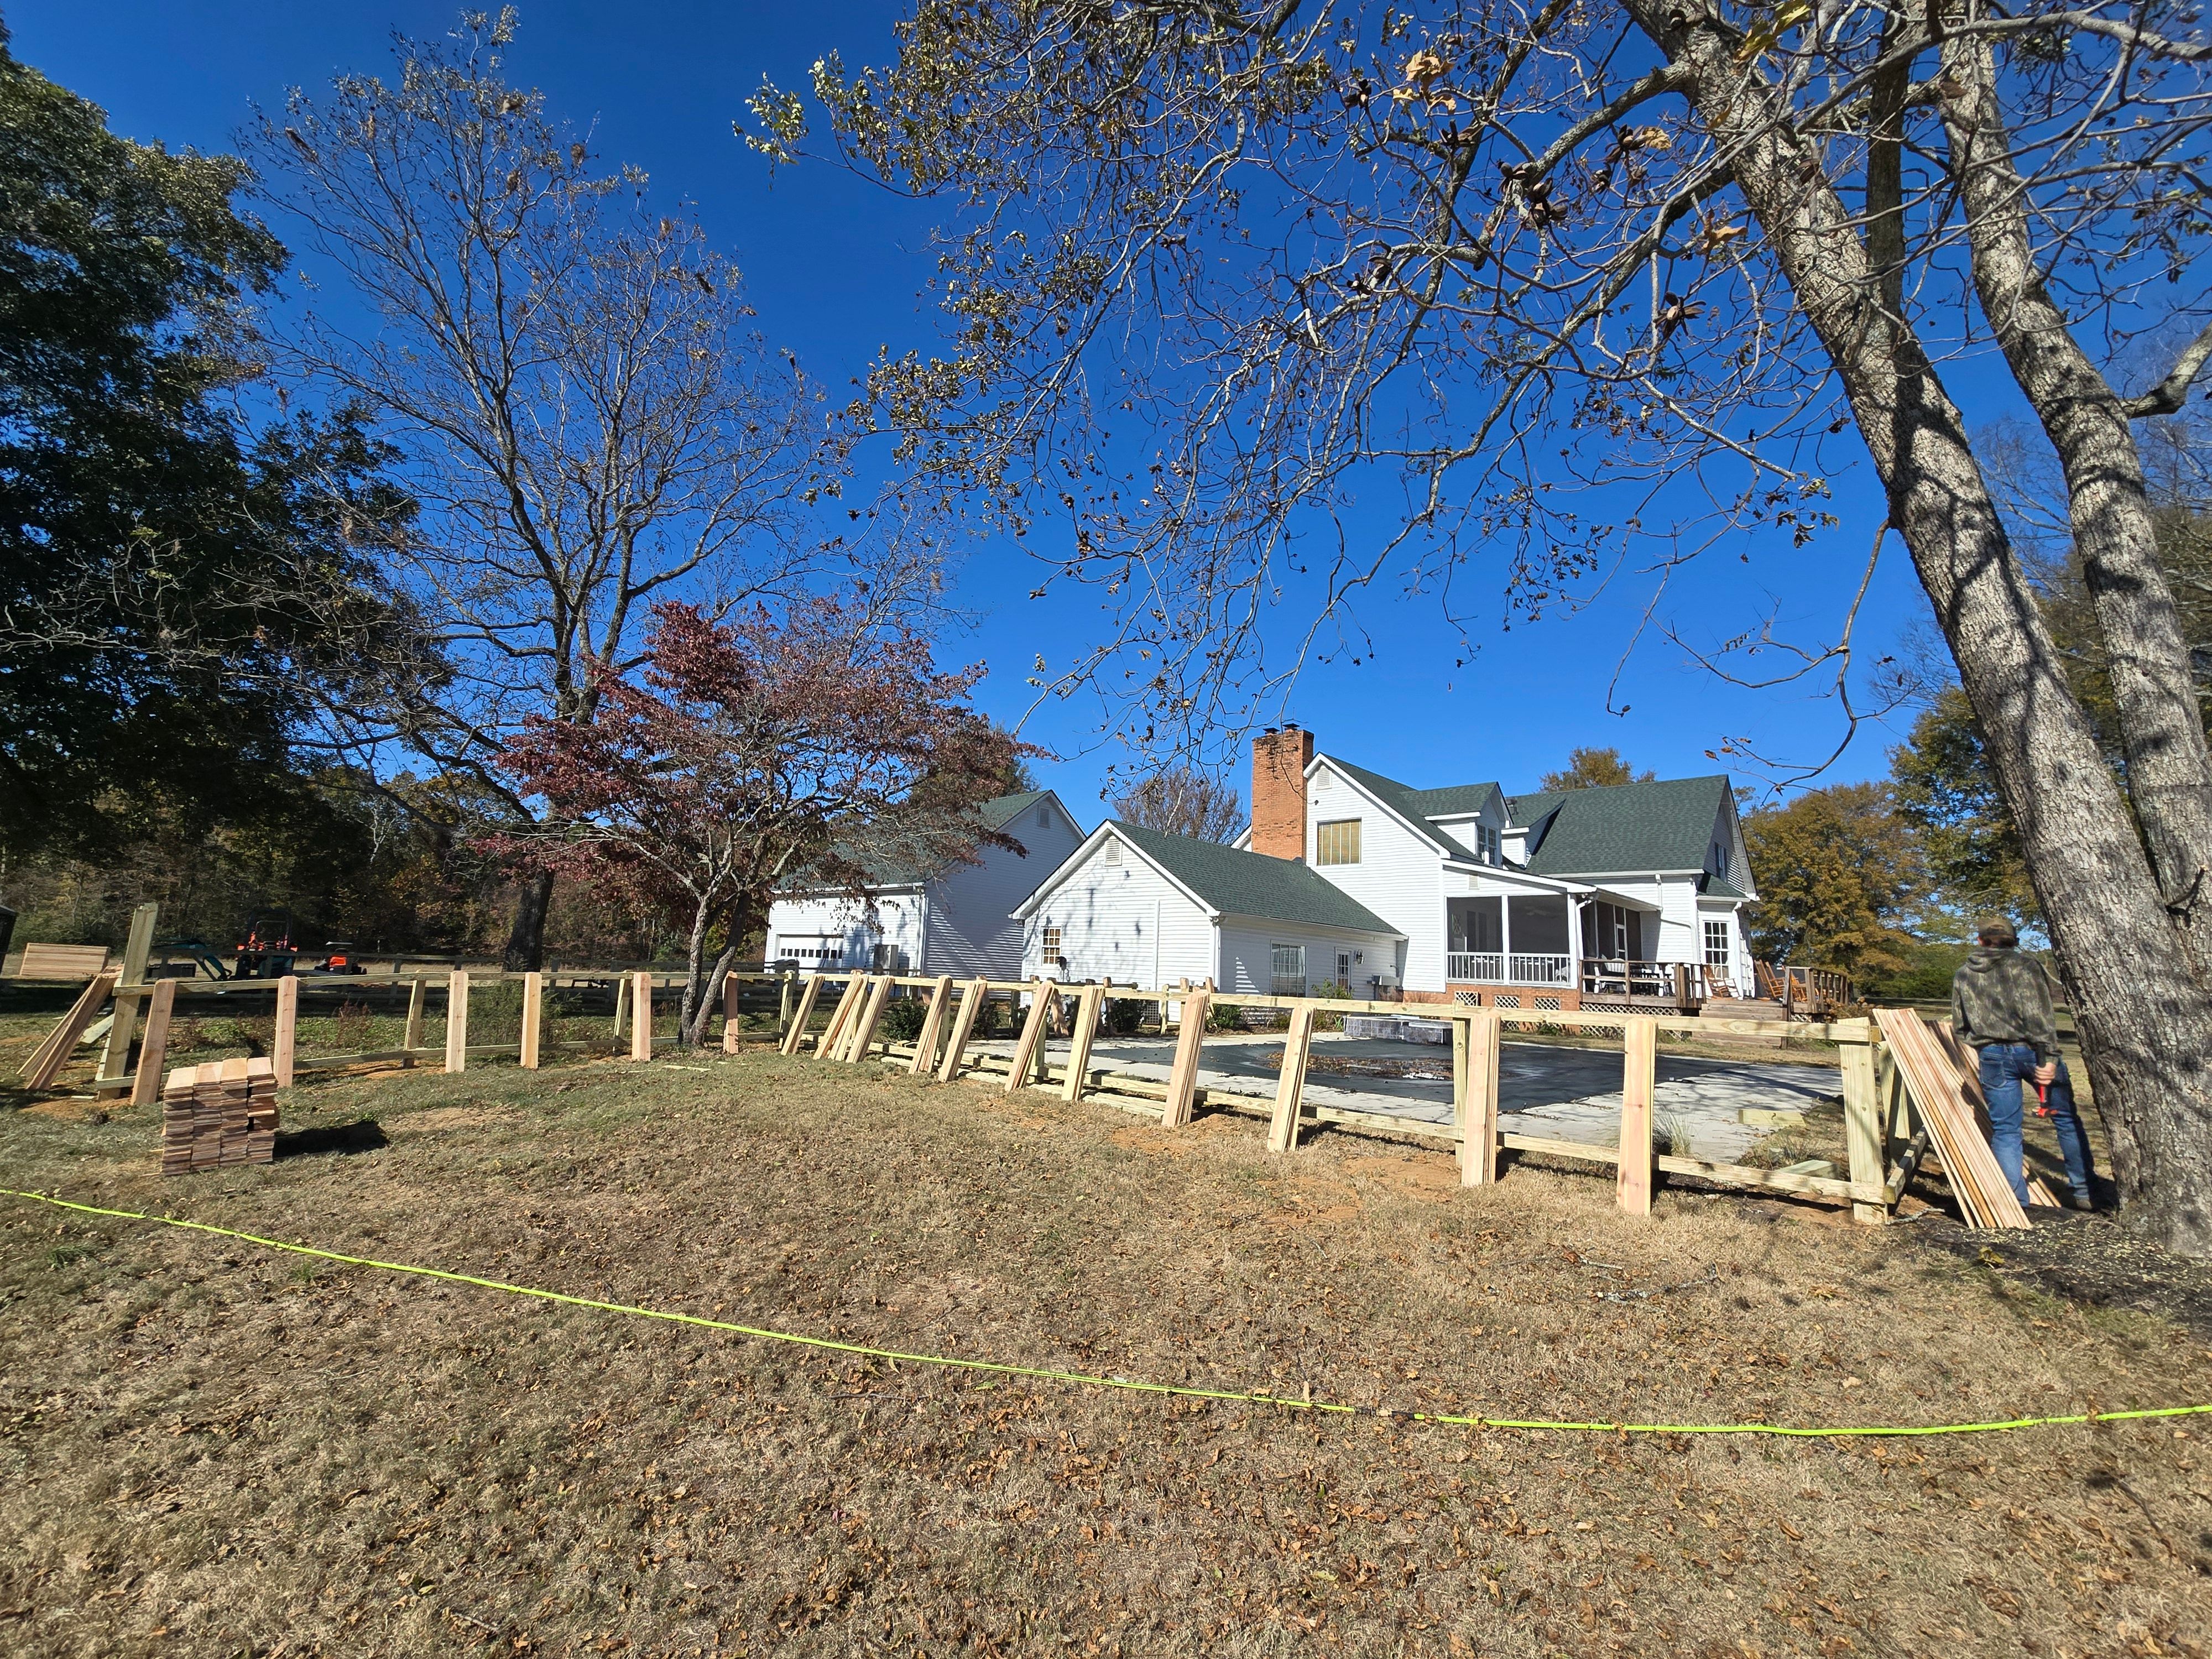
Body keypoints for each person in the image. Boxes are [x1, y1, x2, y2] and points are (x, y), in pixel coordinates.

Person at [1949, 919, 2099, 1211]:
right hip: (2035, 1052)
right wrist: (2051, 1058)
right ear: (2013, 941)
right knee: (2066, 1120)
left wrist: (1985, 1045)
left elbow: (1960, 1026)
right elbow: (2040, 1015)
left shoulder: (1964, 974)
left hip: (1992, 1056)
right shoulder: (2026, 967)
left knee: (2006, 1130)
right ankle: (2085, 1194)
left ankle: (2015, 1204)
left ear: (1980, 941)